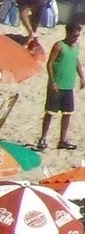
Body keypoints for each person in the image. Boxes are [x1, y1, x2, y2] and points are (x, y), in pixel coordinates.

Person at [39, 22, 83, 151]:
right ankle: (43, 138)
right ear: (68, 34)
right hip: (57, 85)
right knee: (50, 113)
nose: (76, 38)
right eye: (74, 36)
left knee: (67, 113)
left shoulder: (76, 46)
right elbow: (50, 64)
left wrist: (81, 76)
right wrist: (52, 81)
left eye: (78, 36)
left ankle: (62, 140)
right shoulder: (59, 46)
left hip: (69, 86)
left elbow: (76, 61)